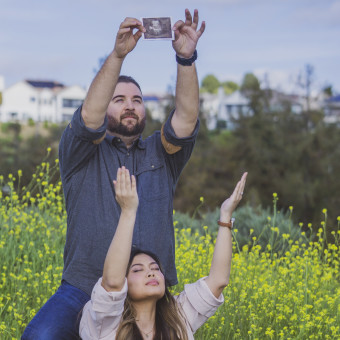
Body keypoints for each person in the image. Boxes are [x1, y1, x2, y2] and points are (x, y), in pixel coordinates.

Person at [22, 9, 205, 340]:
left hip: (151, 292)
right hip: (85, 286)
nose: (130, 105)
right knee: (40, 336)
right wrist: (118, 55)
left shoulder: (162, 155)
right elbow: (89, 115)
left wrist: (186, 59)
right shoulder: (81, 152)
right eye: (118, 99)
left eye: (136, 100)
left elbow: (187, 118)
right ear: (107, 106)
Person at [79, 167, 247, 339]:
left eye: (155, 268)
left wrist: (225, 216)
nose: (151, 272)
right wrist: (128, 212)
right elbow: (112, 283)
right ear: (124, 284)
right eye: (137, 270)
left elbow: (218, 282)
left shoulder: (178, 317)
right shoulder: (105, 324)